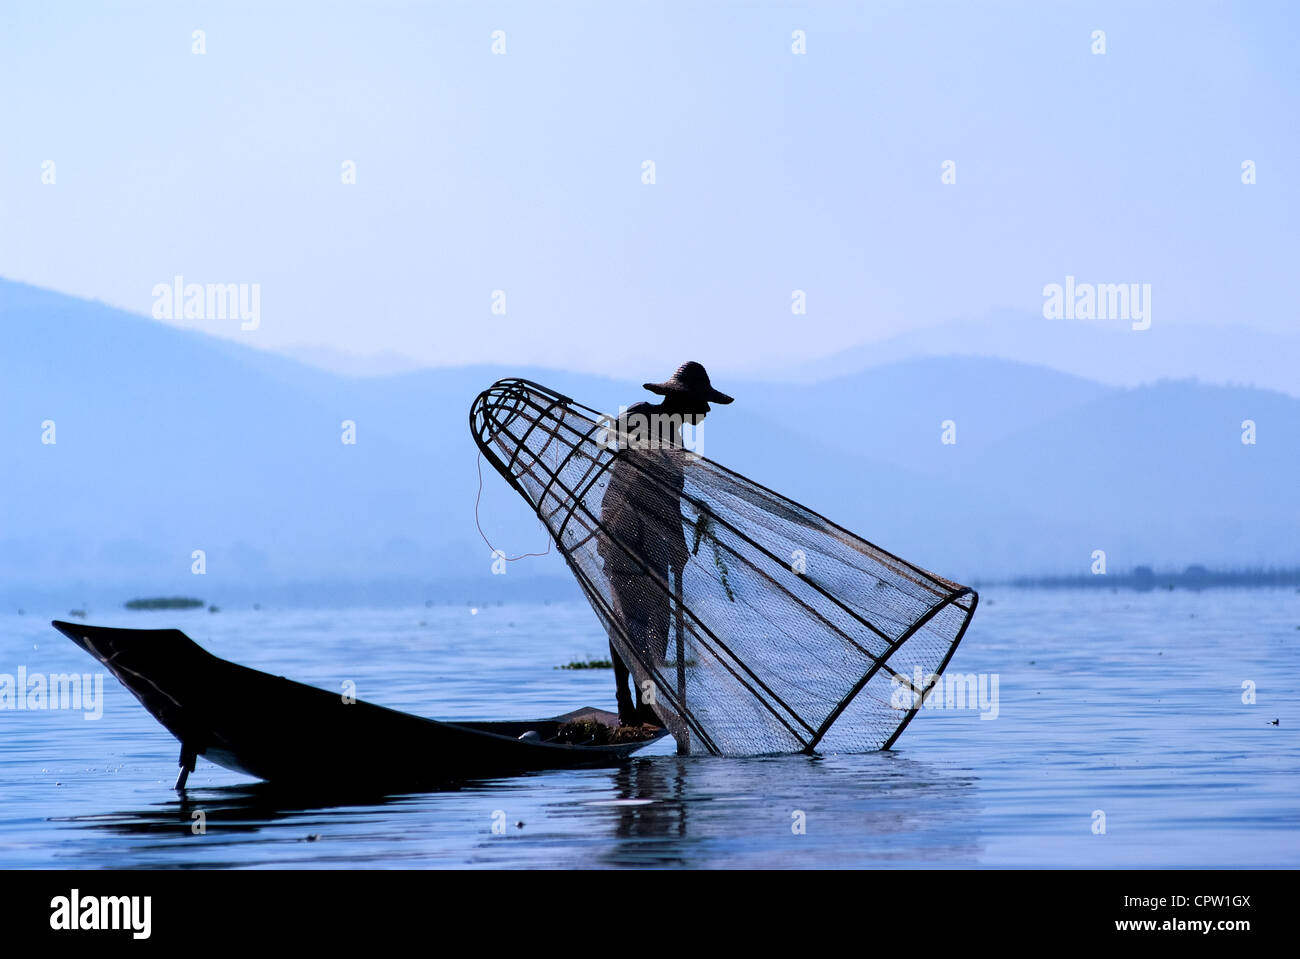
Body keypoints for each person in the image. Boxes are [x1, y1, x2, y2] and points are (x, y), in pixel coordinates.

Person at [596, 362, 733, 726]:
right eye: (700, 404)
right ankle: (626, 700)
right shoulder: (640, 414)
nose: (703, 412)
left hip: (654, 534)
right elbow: (611, 441)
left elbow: (670, 499)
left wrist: (678, 545)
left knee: (658, 619)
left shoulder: (678, 443)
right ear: (681, 400)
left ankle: (646, 702)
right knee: (626, 617)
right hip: (621, 530)